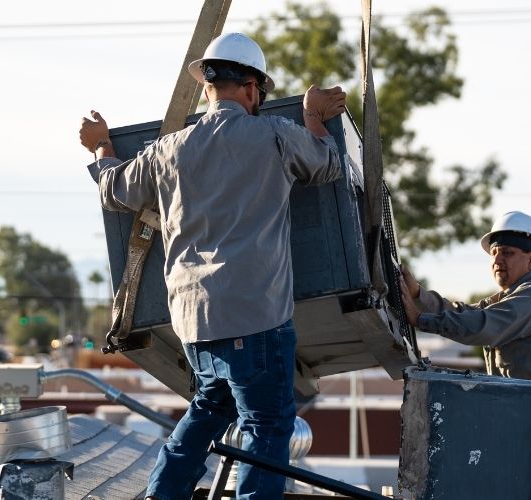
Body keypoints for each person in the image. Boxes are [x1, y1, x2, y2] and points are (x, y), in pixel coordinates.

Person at [78, 32, 347, 500]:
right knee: (266, 429)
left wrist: (101, 147)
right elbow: (329, 163)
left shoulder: (168, 150)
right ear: (249, 87)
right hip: (256, 318)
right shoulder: (275, 135)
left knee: (207, 410)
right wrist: (312, 114)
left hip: (194, 323)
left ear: (206, 86)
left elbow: (113, 189)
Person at [400, 211, 531, 500]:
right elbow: (471, 314)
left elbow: (483, 326)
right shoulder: (511, 297)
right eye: (494, 253)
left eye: (508, 253)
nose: (497, 261)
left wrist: (421, 320)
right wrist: (418, 295)